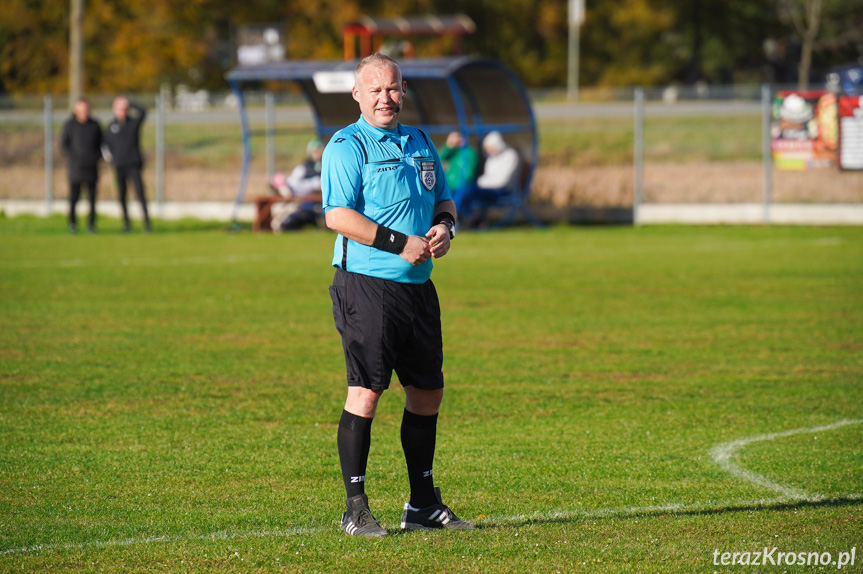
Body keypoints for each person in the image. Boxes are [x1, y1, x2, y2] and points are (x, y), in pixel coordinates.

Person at [322, 53, 473, 537]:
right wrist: (398, 242)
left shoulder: (421, 141)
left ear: (403, 90)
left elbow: (443, 200)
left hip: (417, 289)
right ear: (357, 95)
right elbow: (337, 216)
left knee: (428, 393)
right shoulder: (346, 146)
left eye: (392, 89)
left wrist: (445, 228)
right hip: (366, 286)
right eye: (375, 91)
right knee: (366, 393)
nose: (385, 98)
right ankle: (355, 508)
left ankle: (423, 505)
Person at [104, 97, 150, 232]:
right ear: (114, 110)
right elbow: (106, 146)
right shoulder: (111, 126)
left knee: (140, 193)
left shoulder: (133, 123)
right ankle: (126, 223)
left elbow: (143, 112)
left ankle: (146, 222)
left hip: (134, 165)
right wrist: (112, 160)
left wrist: (130, 103)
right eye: (119, 108)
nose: (122, 111)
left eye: (124, 108)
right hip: (118, 167)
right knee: (122, 195)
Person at [455, 130, 521, 226]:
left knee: (467, 191)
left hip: (501, 191)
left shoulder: (511, 156)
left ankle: (467, 219)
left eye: (490, 148)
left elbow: (502, 182)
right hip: (487, 190)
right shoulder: (492, 158)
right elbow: (486, 178)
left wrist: (484, 182)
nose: (489, 151)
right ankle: (468, 218)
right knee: (462, 191)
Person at [60, 98, 102, 233]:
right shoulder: (69, 125)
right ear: (75, 111)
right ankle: (72, 224)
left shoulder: (95, 125)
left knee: (92, 198)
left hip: (91, 168)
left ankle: (91, 225)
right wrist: (73, 157)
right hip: (75, 168)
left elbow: (102, 144)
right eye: (81, 110)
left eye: (86, 109)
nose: (84, 112)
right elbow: (63, 146)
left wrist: (96, 157)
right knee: (73, 198)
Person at [268, 138, 324, 231]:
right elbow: (294, 182)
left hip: (310, 200)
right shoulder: (305, 166)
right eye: (315, 151)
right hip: (297, 196)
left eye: (319, 150)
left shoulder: (324, 165)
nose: (317, 153)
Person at [439, 131, 479, 213]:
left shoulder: (470, 152)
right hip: (450, 186)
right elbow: (440, 158)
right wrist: (449, 145)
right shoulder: (453, 152)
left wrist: (461, 183)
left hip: (463, 186)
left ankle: (465, 218)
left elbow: (470, 172)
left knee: (457, 200)